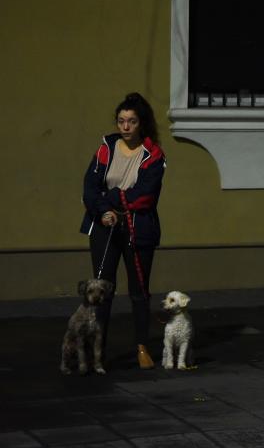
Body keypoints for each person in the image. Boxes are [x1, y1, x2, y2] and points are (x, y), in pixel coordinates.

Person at [80, 92, 165, 369]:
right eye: (121, 121)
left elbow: (146, 195)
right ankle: (97, 352)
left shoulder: (153, 155)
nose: (125, 127)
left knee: (139, 290)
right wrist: (103, 211)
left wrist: (113, 198)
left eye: (131, 121)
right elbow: (90, 187)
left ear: (142, 124)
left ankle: (142, 347)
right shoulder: (106, 148)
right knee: (102, 289)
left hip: (138, 228)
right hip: (104, 226)